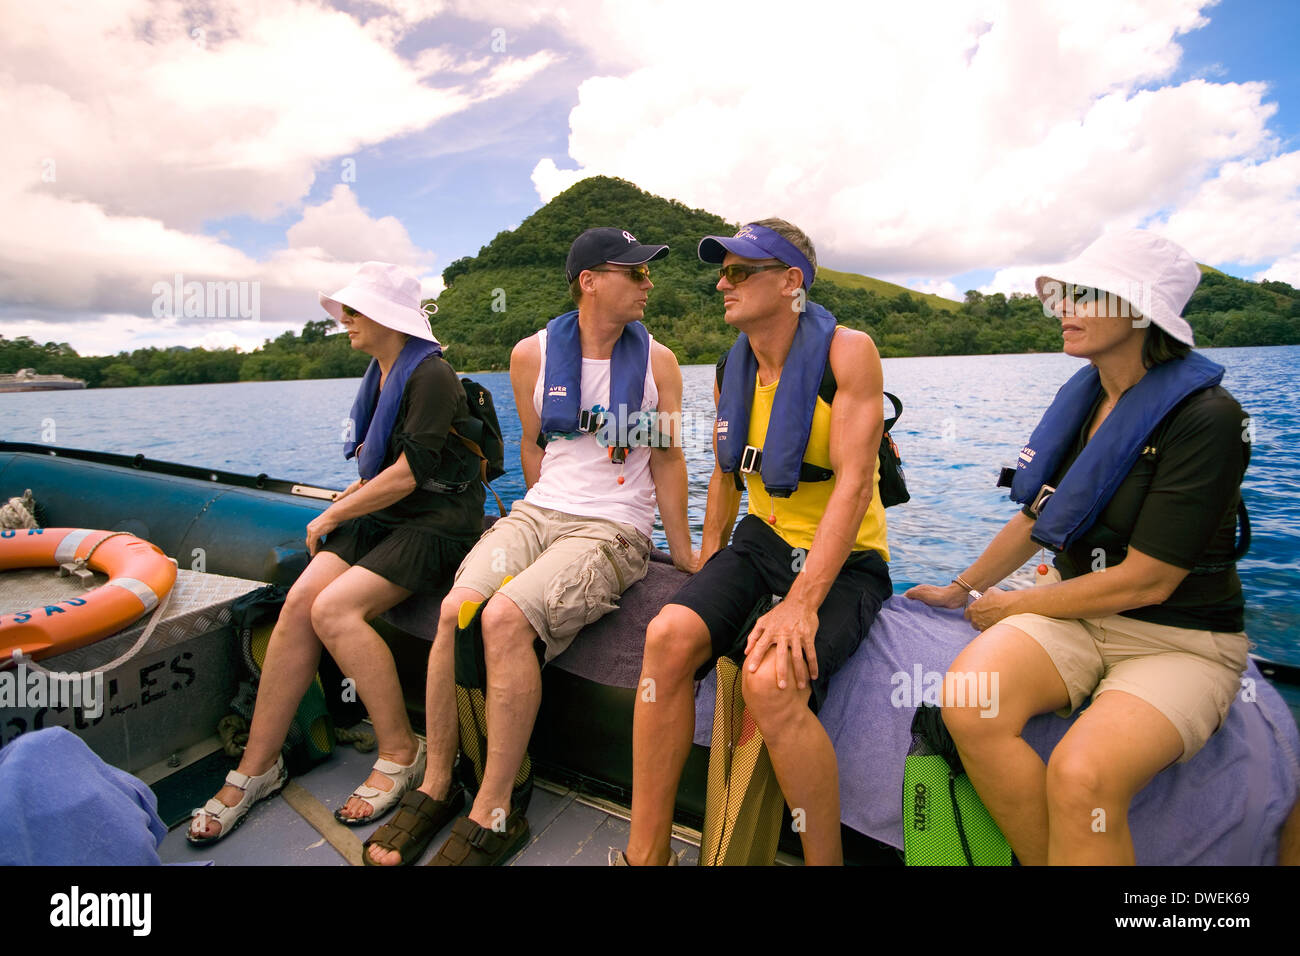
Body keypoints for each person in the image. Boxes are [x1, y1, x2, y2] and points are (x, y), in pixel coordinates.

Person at [907, 229, 1253, 865]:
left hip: (1177, 637)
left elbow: (1150, 580)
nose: (1064, 307)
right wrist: (963, 588)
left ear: (1140, 312)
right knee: (968, 702)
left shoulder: (1209, 418)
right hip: (1073, 615)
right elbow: (1038, 517)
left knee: (1082, 776)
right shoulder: (1089, 399)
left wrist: (1011, 608)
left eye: (1086, 295)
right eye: (1064, 294)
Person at [364, 227, 694, 866]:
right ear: (589, 280)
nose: (648, 283)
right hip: (540, 512)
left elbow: (671, 457)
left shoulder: (659, 362)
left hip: (612, 527)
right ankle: (436, 783)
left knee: (507, 618)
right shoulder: (532, 355)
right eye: (636, 272)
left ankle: (495, 809)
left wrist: (680, 553)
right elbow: (533, 444)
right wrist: (537, 517)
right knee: (454, 610)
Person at [618, 219, 892, 866]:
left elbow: (853, 487)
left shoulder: (848, 353)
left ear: (791, 282)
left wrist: (801, 602)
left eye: (740, 272)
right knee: (666, 637)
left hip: (845, 558)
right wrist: (711, 558)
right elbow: (724, 473)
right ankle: (645, 854)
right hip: (759, 543)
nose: (722, 283)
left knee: (772, 682)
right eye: (723, 271)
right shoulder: (728, 370)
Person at [188, 261, 485, 844]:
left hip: (437, 521)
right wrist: (351, 499)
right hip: (389, 513)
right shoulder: (382, 372)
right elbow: (381, 472)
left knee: (335, 610)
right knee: (300, 601)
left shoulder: (431, 376)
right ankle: (257, 766)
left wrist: (331, 513)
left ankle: (401, 750)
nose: (344, 320)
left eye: (354, 311)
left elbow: (408, 475)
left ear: (385, 318)